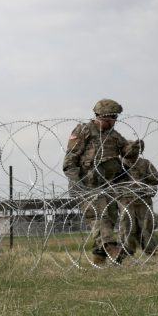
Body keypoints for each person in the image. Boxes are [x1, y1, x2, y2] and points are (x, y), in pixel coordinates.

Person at [62, 99, 131, 264]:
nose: (114, 121)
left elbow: (127, 152)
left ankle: (99, 260)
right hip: (89, 185)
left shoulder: (114, 136)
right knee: (100, 218)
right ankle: (112, 249)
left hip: (110, 185)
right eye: (111, 118)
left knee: (110, 219)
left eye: (115, 118)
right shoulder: (84, 131)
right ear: (102, 116)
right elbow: (69, 162)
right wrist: (78, 185)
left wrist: (134, 148)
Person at [120, 139, 158, 258]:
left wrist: (149, 190)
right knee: (127, 226)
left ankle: (150, 250)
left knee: (146, 225)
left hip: (143, 199)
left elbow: (155, 179)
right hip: (125, 200)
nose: (134, 153)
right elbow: (110, 181)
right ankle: (127, 250)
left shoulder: (145, 163)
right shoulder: (119, 164)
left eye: (136, 150)